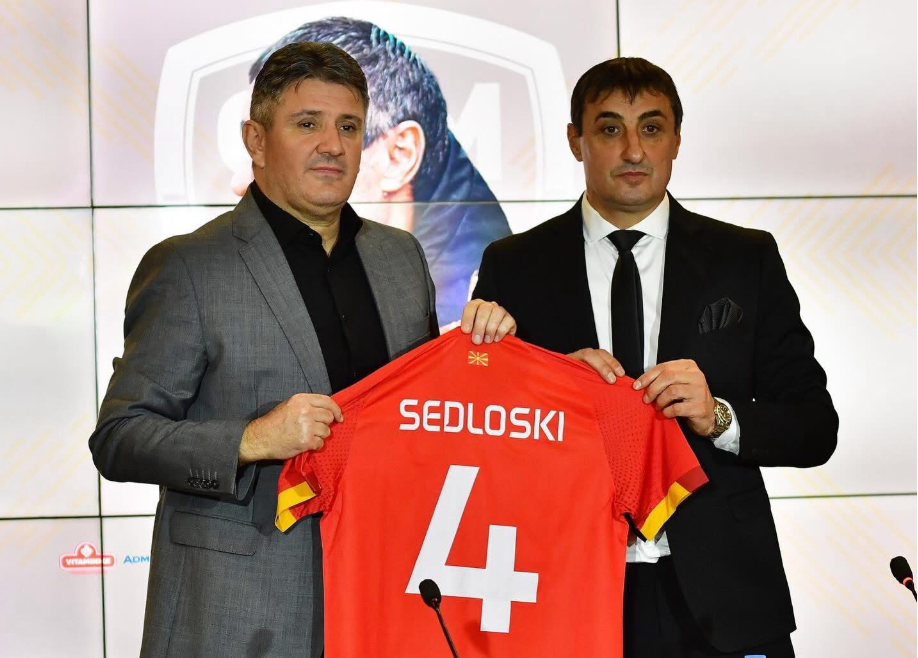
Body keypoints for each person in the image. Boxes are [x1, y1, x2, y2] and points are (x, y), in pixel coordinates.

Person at [90, 41, 513, 658]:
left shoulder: (400, 260)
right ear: (256, 141)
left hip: (381, 600)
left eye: (348, 127)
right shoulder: (188, 267)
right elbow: (119, 437)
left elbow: (424, 419)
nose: (333, 145)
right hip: (236, 616)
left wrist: (495, 361)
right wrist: (252, 439)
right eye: (307, 124)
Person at [473, 57, 838, 657]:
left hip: (723, 594)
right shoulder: (514, 265)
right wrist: (551, 393)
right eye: (609, 129)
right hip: (565, 587)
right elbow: (482, 439)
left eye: (651, 127)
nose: (633, 150)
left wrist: (719, 417)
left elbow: (814, 427)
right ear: (576, 140)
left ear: (676, 140)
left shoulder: (744, 259)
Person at [234, 16, 512, 327]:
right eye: (307, 126)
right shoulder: (205, 265)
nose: (238, 182)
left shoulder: (464, 306)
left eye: (346, 128)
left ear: (399, 156)